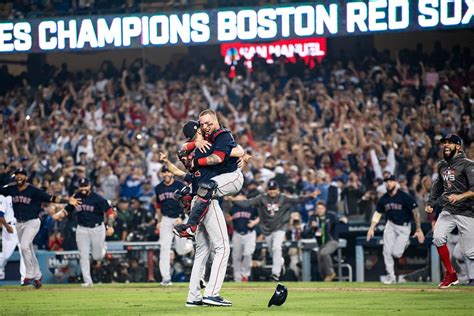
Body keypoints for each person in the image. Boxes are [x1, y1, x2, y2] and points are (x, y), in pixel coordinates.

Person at [171, 118, 246, 307]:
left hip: (199, 198)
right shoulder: (204, 145)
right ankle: (212, 294)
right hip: (207, 200)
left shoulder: (192, 149)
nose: (202, 132)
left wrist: (238, 156)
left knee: (202, 251)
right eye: (199, 131)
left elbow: (182, 151)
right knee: (222, 248)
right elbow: (236, 151)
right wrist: (239, 156)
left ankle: (193, 297)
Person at [0, 168, 80, 288]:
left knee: (24, 246)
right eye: (17, 175)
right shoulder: (11, 189)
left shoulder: (34, 190)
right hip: (19, 223)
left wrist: (67, 200)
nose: (19, 177)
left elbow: (52, 198)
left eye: (22, 175)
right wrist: (7, 177)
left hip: (32, 222)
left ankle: (30, 274)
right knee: (29, 250)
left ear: (26, 178)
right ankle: (37, 276)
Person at [228, 180, 320, 282]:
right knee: (273, 251)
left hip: (280, 227)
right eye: (270, 189)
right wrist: (233, 200)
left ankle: (275, 274)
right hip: (267, 229)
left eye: (274, 189)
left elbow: (297, 199)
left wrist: (310, 197)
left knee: (276, 247)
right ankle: (280, 262)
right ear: (267, 190)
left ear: (278, 189)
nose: (272, 191)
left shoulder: (283, 198)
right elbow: (248, 203)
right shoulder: (262, 198)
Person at [425, 134, 474, 288]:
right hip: (448, 210)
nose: (446, 145)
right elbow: (437, 186)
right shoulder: (442, 165)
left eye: (450, 143)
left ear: (458, 147)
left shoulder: (468, 164)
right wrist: (431, 203)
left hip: (466, 211)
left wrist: (460, 197)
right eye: (444, 143)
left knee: (469, 253)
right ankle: (451, 274)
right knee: (438, 237)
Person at [52, 177, 114, 287]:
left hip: (97, 228)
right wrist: (59, 214)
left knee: (97, 257)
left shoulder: (97, 198)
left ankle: (103, 249)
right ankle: (88, 281)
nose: (83, 188)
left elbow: (110, 212)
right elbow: (67, 210)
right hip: (82, 229)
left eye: (85, 185)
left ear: (90, 186)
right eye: (81, 186)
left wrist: (110, 226)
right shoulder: (76, 197)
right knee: (83, 255)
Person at [366, 174, 425, 285]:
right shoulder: (384, 198)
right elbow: (378, 213)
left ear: (395, 182)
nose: (388, 183)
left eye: (391, 181)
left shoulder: (404, 196)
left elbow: (415, 211)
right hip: (391, 225)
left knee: (397, 254)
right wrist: (371, 228)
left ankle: (406, 242)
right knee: (386, 252)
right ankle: (391, 277)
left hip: (404, 227)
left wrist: (418, 228)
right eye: (386, 181)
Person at [154, 166, 191, 286]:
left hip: (179, 219)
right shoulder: (158, 188)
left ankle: (189, 245)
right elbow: (158, 206)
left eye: (168, 171)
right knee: (164, 248)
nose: (166, 174)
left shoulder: (180, 186)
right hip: (166, 219)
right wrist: (159, 221)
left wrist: (181, 216)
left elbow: (186, 202)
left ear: (172, 173)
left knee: (180, 250)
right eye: (164, 172)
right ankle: (166, 278)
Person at [225, 192, 259, 282]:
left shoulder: (251, 206)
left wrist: (254, 222)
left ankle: (245, 275)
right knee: (236, 257)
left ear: (244, 196)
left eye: (239, 196)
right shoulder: (233, 207)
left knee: (248, 253)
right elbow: (229, 219)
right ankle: (237, 278)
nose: (237, 198)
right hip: (237, 233)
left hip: (250, 233)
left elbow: (260, 216)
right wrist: (229, 220)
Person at [303, 201, 340, 282]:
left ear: (325, 209)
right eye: (318, 208)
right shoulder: (313, 217)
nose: (319, 210)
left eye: (321, 208)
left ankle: (331, 273)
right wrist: (312, 227)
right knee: (320, 258)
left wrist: (343, 218)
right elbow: (306, 233)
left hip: (332, 241)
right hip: (321, 244)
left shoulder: (331, 216)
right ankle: (325, 278)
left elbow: (338, 219)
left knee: (324, 253)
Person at [0, 193, 26, 283]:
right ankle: (0, 268)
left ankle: (24, 279)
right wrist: (7, 227)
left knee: (24, 252)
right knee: (6, 255)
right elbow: (0, 215)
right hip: (9, 227)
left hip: (21, 225)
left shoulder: (19, 196)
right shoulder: (2, 197)